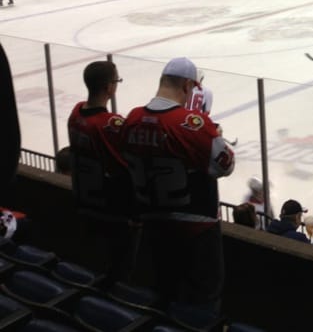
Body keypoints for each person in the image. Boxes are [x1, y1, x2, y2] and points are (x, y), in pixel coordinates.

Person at [120, 57, 235, 311]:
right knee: (201, 305)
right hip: (197, 232)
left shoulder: (132, 119)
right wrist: (215, 137)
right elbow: (225, 165)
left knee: (159, 299)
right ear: (186, 86)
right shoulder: (190, 125)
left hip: (152, 229)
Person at [67, 60, 135, 284]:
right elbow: (125, 166)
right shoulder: (109, 124)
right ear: (109, 87)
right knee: (119, 269)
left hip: (85, 202)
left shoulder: (76, 113)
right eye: (117, 81)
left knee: (92, 265)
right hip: (111, 209)